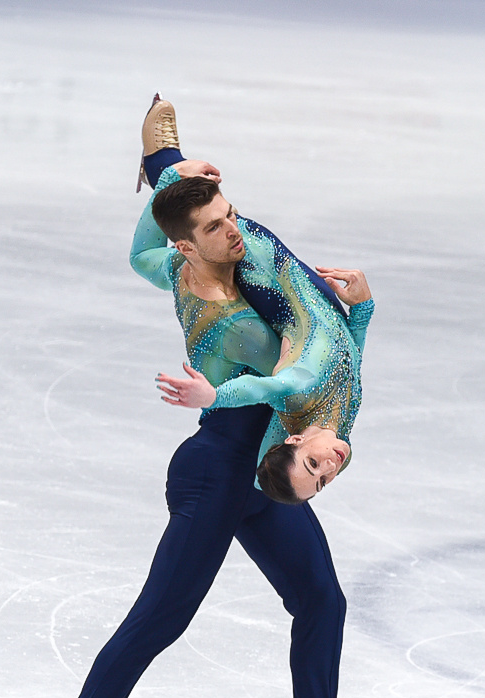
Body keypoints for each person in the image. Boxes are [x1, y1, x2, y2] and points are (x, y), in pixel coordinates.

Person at [28, 96, 380, 698]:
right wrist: (214, 395)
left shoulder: (184, 263)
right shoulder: (225, 316)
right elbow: (287, 379)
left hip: (265, 472)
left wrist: (167, 175)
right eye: (217, 227)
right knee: (161, 617)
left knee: (322, 600)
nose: (234, 231)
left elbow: (143, 252)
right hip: (218, 473)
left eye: (229, 217)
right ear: (190, 247)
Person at [138, 156, 374, 504]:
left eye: (313, 465)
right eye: (323, 481)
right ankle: (167, 169)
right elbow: (350, 364)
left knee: (215, 220)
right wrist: (362, 311)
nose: (330, 467)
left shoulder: (297, 385)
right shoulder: (341, 441)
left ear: (294, 440)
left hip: (269, 283)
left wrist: (215, 397)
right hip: (313, 295)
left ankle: (162, 160)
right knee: (213, 220)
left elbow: (260, 388)